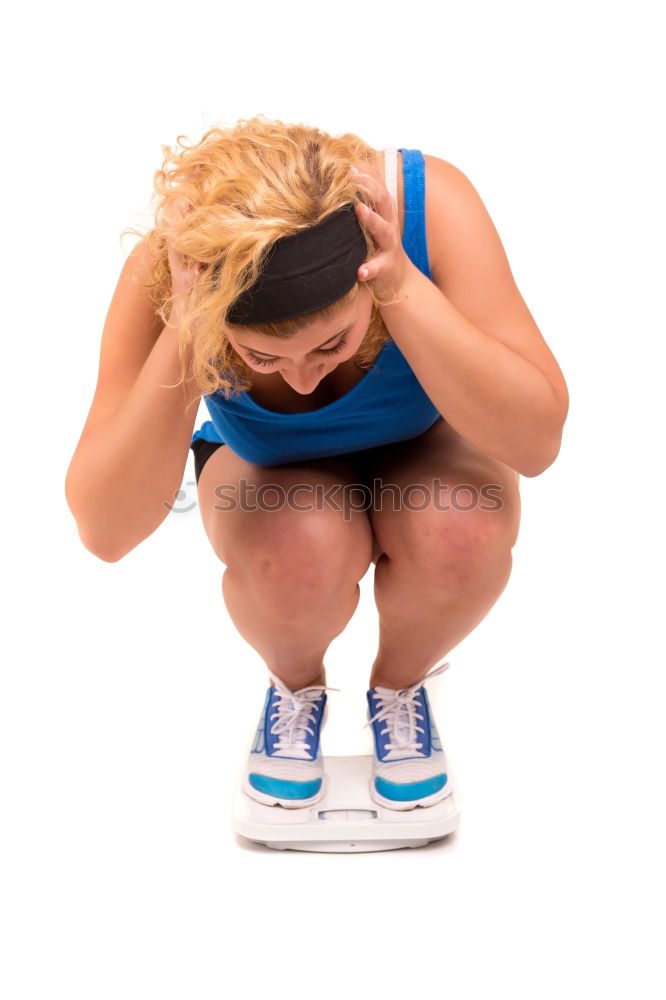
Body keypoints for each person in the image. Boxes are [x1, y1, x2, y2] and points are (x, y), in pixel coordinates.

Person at [65, 115, 569, 813]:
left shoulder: (430, 208)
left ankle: (399, 689)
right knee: (300, 547)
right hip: (268, 471)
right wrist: (188, 324)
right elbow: (105, 531)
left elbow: (538, 443)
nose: (300, 382)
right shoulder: (168, 271)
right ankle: (294, 690)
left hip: (427, 440)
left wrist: (402, 289)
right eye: (264, 359)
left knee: (460, 531)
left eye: (332, 344)